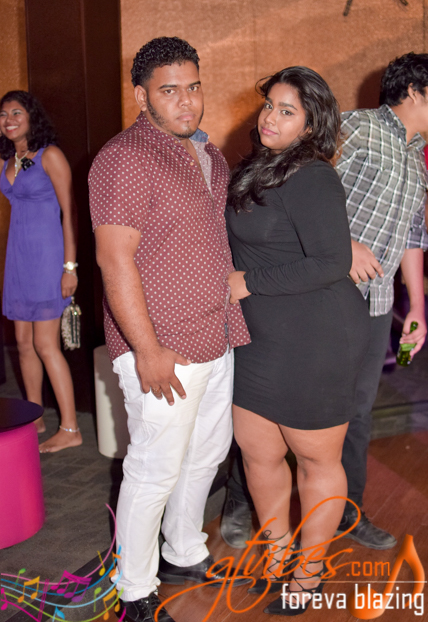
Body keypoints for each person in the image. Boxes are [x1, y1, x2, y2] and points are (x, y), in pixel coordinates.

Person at [89, 37, 251, 622]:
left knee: (207, 455)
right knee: (154, 468)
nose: (186, 101)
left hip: (216, 335)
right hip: (163, 348)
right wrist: (147, 349)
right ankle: (134, 588)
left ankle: (183, 551)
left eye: (194, 87)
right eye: (169, 91)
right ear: (141, 96)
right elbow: (114, 260)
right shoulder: (125, 158)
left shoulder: (208, 155)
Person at [226, 66, 371, 616]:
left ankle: (309, 574)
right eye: (270, 105)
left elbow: (332, 262)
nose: (270, 117)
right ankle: (276, 558)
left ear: (311, 126)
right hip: (260, 338)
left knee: (315, 460)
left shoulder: (312, 176)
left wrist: (249, 282)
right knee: (258, 453)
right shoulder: (257, 167)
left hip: (315, 337)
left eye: (287, 111)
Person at [335, 52, 428, 549]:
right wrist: (343, 243)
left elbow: (413, 234)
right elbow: (299, 188)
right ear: (414, 90)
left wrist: (415, 308)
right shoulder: (356, 128)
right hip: (324, 295)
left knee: (359, 411)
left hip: (375, 303)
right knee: (290, 405)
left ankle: (347, 512)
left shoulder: (417, 153)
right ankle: (244, 501)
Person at [0, 90, 81, 453]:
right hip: (18, 260)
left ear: (32, 116)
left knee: (46, 344)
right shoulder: (7, 161)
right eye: (3, 114)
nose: (9, 120)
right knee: (22, 343)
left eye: (17, 112)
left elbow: (70, 212)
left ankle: (71, 428)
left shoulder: (50, 155)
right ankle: (34, 418)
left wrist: (70, 267)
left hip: (49, 259)